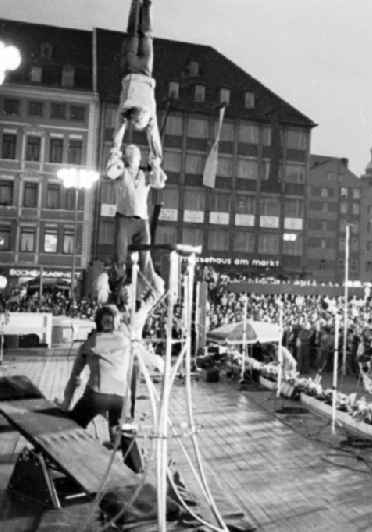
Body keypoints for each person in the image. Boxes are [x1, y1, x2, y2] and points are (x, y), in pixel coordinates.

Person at [60, 305, 163, 473]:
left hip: (96, 396)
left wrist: (66, 403)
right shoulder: (125, 341)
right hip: (121, 398)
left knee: (72, 428)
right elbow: (140, 364)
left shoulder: (89, 343)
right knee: (126, 435)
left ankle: (65, 462)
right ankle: (137, 471)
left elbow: (75, 378)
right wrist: (162, 365)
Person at [106, 0, 162, 179]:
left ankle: (145, 6)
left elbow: (154, 140)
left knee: (146, 36)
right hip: (132, 70)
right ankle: (138, 5)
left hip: (145, 71)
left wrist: (157, 159)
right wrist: (156, 162)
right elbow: (118, 133)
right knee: (133, 34)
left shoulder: (150, 115)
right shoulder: (125, 112)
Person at [106, 144, 165, 304]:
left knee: (145, 258)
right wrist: (115, 155)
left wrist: (156, 166)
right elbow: (109, 172)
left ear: (140, 158)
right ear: (126, 158)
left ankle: (143, 292)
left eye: (137, 155)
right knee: (120, 256)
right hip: (124, 218)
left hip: (142, 221)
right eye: (131, 156)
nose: (134, 158)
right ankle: (117, 293)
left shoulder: (145, 174)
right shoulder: (121, 172)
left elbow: (159, 183)